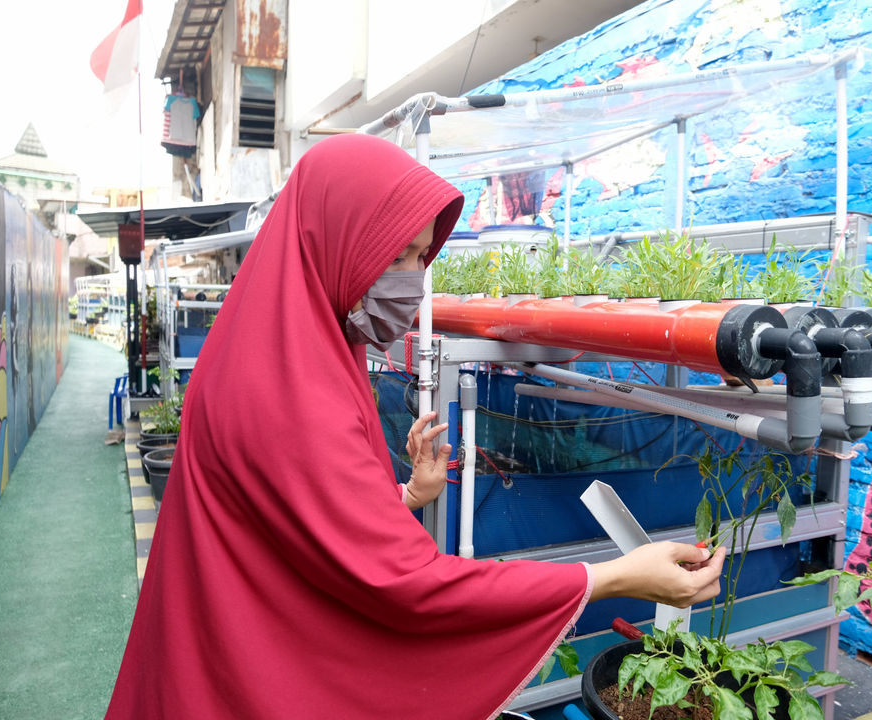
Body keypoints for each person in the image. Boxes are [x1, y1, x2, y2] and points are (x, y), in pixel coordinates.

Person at [105, 133, 725, 719]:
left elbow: (294, 527)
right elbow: (407, 586)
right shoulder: (291, 393)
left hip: (222, 652)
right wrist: (613, 576)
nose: (412, 278)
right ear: (334, 237)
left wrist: (402, 498)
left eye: (420, 255)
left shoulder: (283, 338)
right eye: (395, 253)